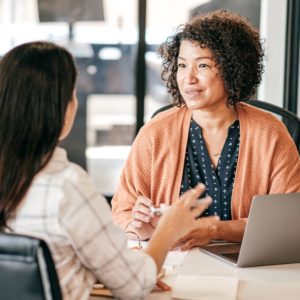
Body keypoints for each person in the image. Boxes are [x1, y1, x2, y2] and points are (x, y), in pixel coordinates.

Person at [0, 41, 219, 300]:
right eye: (73, 93)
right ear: (61, 107)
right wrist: (167, 231)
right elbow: (134, 286)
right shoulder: (67, 186)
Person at [111, 10, 300, 249]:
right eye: (181, 65)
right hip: (173, 262)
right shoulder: (155, 133)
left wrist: (216, 230)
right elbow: (122, 212)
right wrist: (143, 228)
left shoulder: (270, 134)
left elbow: (287, 223)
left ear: (232, 69)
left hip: (245, 265)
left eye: (202, 65)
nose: (188, 78)